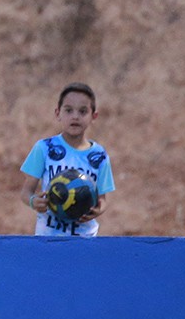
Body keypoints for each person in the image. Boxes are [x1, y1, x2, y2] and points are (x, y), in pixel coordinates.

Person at [19, 82, 115, 236]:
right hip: (48, 237)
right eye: (69, 110)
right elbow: (26, 192)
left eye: (83, 111)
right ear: (58, 113)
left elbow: (102, 199)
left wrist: (97, 210)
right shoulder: (45, 148)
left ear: (93, 116)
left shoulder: (99, 155)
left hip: (84, 239)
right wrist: (34, 202)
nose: (75, 116)